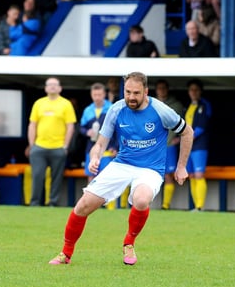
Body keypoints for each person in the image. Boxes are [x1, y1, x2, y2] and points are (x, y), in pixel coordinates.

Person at [48, 71, 194, 266]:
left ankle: (129, 243)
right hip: (122, 164)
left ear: (146, 91)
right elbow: (100, 143)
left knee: (141, 200)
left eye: (136, 93)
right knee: (82, 206)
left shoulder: (161, 110)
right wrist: (95, 157)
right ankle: (65, 254)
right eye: (127, 92)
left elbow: (187, 132)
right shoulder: (116, 109)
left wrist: (181, 166)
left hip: (150, 169)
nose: (131, 97)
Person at [26, 77, 77, 206]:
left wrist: (65, 146)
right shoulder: (39, 103)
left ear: (60, 88)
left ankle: (52, 203)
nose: (53, 87)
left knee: (56, 178)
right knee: (37, 176)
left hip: (58, 147)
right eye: (50, 85)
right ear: (45, 88)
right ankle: (35, 203)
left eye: (55, 85)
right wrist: (32, 145)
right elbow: (32, 124)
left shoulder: (66, 104)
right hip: (39, 146)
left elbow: (70, 126)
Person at [154, 79, 184, 210]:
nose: (161, 90)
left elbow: (183, 123)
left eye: (164, 88)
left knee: (168, 175)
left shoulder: (175, 105)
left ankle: (165, 205)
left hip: (168, 145)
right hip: (152, 146)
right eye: (159, 88)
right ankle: (143, 203)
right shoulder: (150, 104)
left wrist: (177, 138)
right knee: (148, 175)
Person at [185, 79, 212, 211]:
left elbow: (202, 126)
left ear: (200, 91)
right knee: (191, 175)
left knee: (199, 174)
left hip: (199, 145)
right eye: (191, 90)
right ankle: (196, 206)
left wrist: (189, 138)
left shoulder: (205, 105)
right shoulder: (189, 106)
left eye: (196, 90)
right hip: (187, 146)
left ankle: (200, 206)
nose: (193, 92)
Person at [79, 82, 115, 183]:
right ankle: (90, 199)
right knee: (91, 177)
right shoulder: (87, 110)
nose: (97, 97)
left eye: (99, 95)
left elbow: (118, 130)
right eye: (95, 95)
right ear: (91, 95)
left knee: (106, 179)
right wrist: (87, 132)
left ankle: (106, 200)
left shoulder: (111, 108)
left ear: (104, 94)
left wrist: (116, 147)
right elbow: (81, 128)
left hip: (108, 149)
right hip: (91, 148)